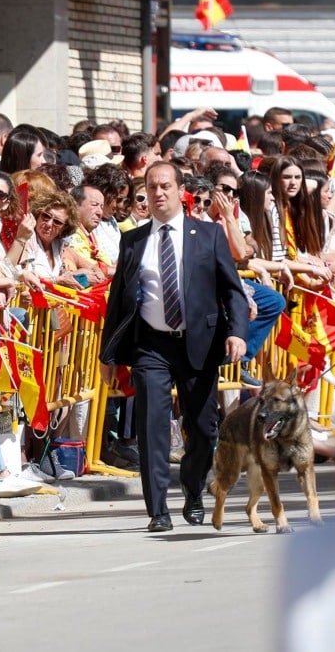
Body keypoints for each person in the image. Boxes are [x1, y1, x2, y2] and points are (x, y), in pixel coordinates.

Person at [99, 162, 248, 533]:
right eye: (151, 187)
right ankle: (158, 509)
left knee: (202, 428)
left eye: (165, 186)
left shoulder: (209, 235)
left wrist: (238, 332)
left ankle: (194, 487)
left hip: (199, 341)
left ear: (180, 189)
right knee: (152, 425)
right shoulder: (133, 240)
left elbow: (232, 289)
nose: (158, 193)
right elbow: (117, 300)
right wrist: (108, 355)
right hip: (152, 345)